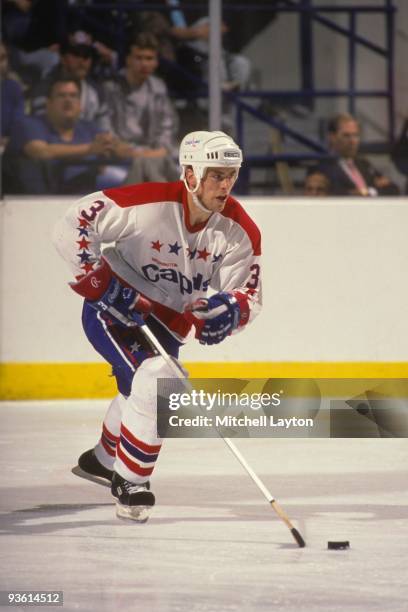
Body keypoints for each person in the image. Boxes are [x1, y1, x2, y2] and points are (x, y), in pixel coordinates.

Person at [53, 130, 262, 522]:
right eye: (215, 174)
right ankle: (131, 483)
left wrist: (226, 313)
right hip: (114, 310)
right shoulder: (148, 203)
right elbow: (72, 224)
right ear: (190, 173)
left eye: (231, 174)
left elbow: (248, 294)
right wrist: (99, 282)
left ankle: (101, 460)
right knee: (159, 381)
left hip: (169, 324)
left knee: (143, 386)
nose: (225, 184)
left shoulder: (239, 229)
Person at [11, 77, 126, 194]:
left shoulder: (89, 128)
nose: (68, 100)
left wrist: (114, 148)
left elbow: (119, 149)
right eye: (61, 95)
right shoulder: (29, 124)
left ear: (80, 105)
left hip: (85, 201)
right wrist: (90, 149)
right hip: (35, 201)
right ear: (48, 103)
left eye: (73, 96)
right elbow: (40, 151)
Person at [101, 33, 180, 184]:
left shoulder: (159, 88)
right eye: (139, 58)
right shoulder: (110, 88)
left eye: (149, 58)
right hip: (123, 158)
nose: (144, 64)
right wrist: (123, 149)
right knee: (146, 166)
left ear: (156, 62)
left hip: (155, 154)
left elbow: (168, 127)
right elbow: (105, 129)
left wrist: (159, 151)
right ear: (128, 60)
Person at [29, 33, 108, 127]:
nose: (82, 61)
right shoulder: (45, 87)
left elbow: (104, 130)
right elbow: (40, 127)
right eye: (76, 54)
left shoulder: (97, 91)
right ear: (62, 58)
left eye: (86, 55)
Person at [316, 113, 400, 196]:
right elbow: (334, 195)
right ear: (332, 137)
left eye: (356, 135)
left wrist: (368, 192)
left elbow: (393, 189)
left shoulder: (364, 164)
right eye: (346, 135)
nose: (352, 141)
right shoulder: (323, 168)